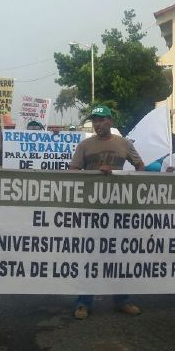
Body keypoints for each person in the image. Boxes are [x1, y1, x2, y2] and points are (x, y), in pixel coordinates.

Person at [69, 106, 144, 320]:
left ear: (110, 121)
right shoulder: (84, 146)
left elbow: (140, 166)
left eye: (101, 120)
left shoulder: (124, 144)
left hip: (118, 209)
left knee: (119, 255)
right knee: (89, 255)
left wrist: (122, 178)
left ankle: (122, 300)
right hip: (91, 210)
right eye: (95, 120)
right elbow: (73, 172)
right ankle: (83, 302)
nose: (98, 124)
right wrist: (94, 173)